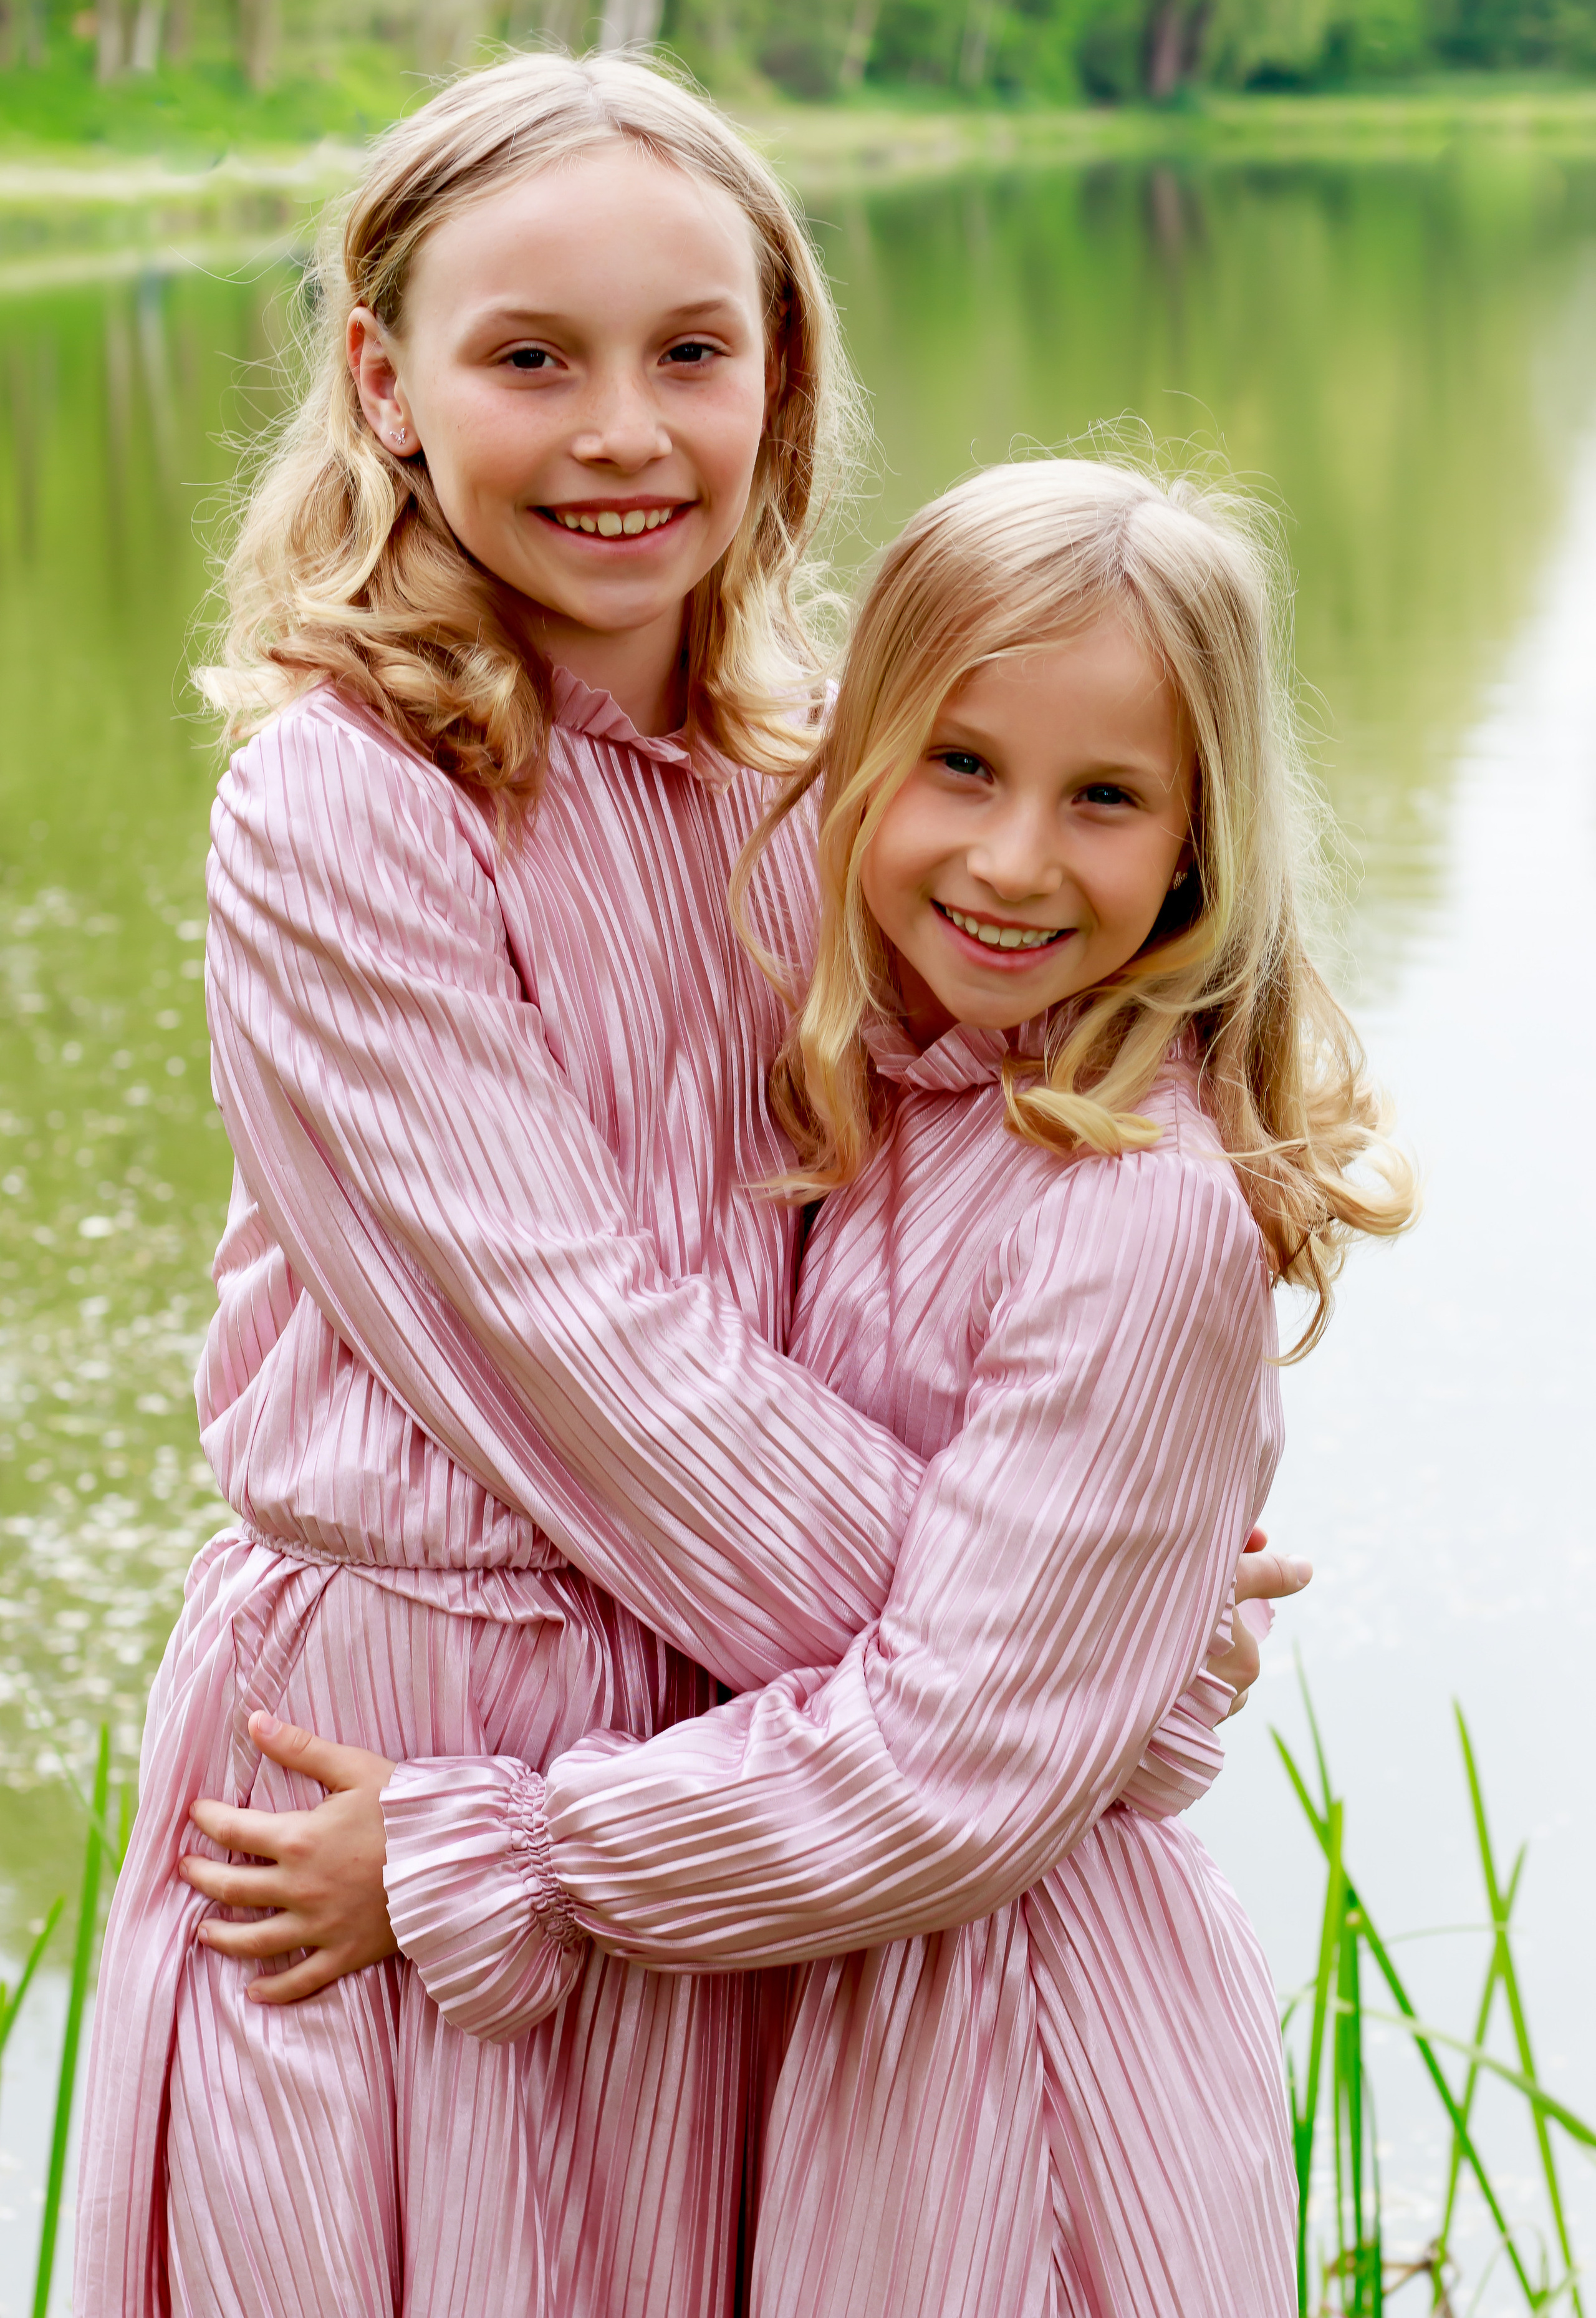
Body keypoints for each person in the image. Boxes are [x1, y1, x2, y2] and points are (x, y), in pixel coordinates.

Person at [75, 55, 1291, 2318]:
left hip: (730, 1802)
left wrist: (1082, 1580)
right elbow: (577, 1358)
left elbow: (989, 1233)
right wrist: (1056, 1650)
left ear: (783, 377)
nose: (622, 433)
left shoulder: (826, 782)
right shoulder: (347, 805)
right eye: (532, 359)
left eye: (692, 354)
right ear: (388, 385)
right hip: (419, 1748)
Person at [210, 458, 1414, 2316]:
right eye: (959, 765)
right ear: (854, 763)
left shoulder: (1143, 1214)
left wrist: (489, 1855)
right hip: (829, 2018)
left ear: (1199, 841)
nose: (1012, 861)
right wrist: (1133, 1640)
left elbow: (950, 1761)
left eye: (1105, 797)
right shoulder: (880, 1099)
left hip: (1015, 2068)